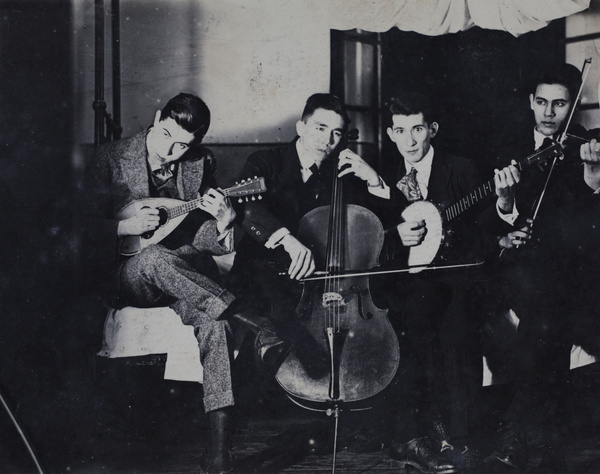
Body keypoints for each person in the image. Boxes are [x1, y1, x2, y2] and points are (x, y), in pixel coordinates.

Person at [82, 93, 241, 474]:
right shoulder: (109, 157)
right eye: (166, 135)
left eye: (183, 145)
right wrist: (124, 226)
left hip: (184, 278)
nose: (171, 150)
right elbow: (75, 229)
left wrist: (225, 222)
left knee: (217, 324)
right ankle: (241, 308)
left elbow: (202, 237)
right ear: (156, 118)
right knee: (153, 257)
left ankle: (218, 452)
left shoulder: (199, 164)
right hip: (130, 273)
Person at [362, 92, 494, 473]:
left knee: (455, 326)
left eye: (418, 128)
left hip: (455, 279)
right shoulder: (381, 177)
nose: (411, 140)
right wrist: (393, 236)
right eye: (401, 130)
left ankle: (458, 436)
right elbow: (372, 236)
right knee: (408, 318)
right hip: (405, 284)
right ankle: (416, 433)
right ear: (390, 133)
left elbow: (488, 233)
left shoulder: (465, 170)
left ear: (432, 129)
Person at [482, 63, 600, 473]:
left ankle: (519, 436)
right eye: (542, 102)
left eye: (560, 103)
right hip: (517, 268)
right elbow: (495, 220)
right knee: (546, 304)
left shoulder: (585, 147)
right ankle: (540, 438)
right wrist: (507, 202)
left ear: (573, 105)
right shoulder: (506, 149)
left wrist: (593, 175)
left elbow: (587, 223)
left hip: (569, 271)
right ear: (531, 102)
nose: (549, 112)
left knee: (549, 306)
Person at [228, 93, 388, 369]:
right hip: (264, 274)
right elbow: (246, 208)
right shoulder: (266, 161)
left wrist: (373, 180)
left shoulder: (340, 174)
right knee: (297, 340)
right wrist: (288, 240)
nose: (327, 141)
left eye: (337, 133)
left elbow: (376, 223)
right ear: (301, 128)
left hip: (316, 279)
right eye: (320, 128)